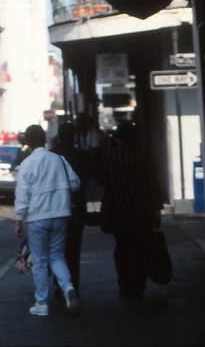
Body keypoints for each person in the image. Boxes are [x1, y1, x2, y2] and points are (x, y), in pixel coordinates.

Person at [14, 124, 80, 317]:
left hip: (37, 217)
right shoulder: (59, 159)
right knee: (57, 255)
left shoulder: (27, 164)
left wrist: (19, 219)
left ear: (27, 142)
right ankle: (67, 286)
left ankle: (41, 302)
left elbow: (22, 195)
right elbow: (75, 184)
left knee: (40, 261)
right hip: (60, 214)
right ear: (45, 139)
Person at [98, 119, 163, 300]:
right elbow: (153, 184)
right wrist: (156, 209)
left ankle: (125, 285)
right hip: (142, 211)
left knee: (123, 249)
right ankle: (138, 286)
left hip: (121, 211)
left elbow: (104, 180)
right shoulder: (143, 155)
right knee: (142, 250)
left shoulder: (114, 157)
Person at [51, 121, 92, 294]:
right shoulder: (82, 155)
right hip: (76, 208)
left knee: (56, 250)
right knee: (74, 249)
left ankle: (60, 284)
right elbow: (89, 178)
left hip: (56, 207)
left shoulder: (52, 155)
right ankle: (73, 282)